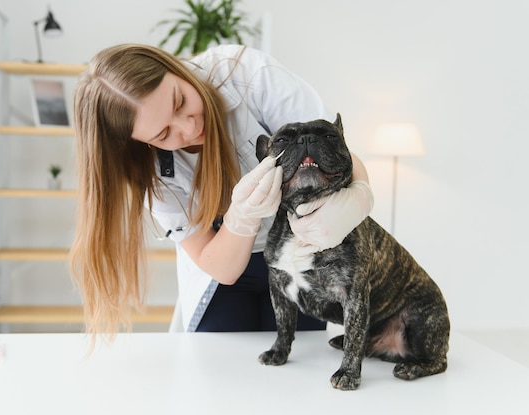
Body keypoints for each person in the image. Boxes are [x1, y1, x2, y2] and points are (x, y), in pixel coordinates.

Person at [70, 43, 374, 338]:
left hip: (300, 256)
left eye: (180, 102)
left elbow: (335, 148)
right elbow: (222, 268)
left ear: (173, 68)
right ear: (143, 143)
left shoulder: (246, 75)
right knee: (219, 370)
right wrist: (241, 218)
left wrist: (358, 196)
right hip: (227, 270)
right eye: (164, 134)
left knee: (299, 366)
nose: (189, 128)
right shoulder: (148, 171)